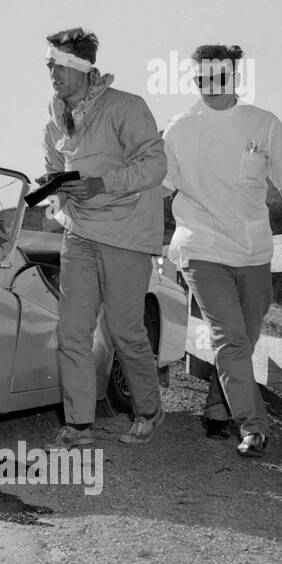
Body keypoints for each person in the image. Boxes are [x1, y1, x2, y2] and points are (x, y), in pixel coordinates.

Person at [163, 44, 282, 457]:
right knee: (230, 338)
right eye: (201, 77)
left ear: (234, 78)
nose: (210, 84)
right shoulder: (179, 129)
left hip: (254, 252)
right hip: (201, 247)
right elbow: (156, 184)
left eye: (218, 76)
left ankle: (216, 405)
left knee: (243, 338)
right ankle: (254, 426)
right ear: (195, 78)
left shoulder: (263, 124)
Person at [42, 27, 168, 446]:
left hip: (126, 234)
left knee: (123, 330)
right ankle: (79, 425)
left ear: (83, 68)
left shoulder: (126, 107)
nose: (52, 73)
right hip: (78, 233)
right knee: (72, 331)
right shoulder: (54, 119)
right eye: (49, 65)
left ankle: (148, 410)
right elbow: (54, 164)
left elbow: (154, 165)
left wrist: (100, 184)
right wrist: (57, 186)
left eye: (58, 65)